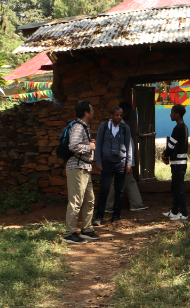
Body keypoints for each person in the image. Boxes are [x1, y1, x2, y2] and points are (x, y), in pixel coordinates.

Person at [63, 100, 100, 244]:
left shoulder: (84, 126)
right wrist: (89, 147)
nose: (93, 112)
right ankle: (69, 233)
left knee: (89, 200)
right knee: (76, 201)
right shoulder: (78, 126)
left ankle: (87, 229)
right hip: (77, 167)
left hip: (84, 167)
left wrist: (88, 145)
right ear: (86, 113)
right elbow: (73, 146)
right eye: (92, 110)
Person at [93, 106, 134, 225]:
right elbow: (98, 145)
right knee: (104, 189)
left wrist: (129, 163)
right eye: (117, 115)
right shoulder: (104, 127)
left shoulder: (125, 128)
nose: (119, 117)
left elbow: (129, 146)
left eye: (121, 115)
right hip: (107, 162)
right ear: (111, 115)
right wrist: (98, 161)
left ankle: (116, 216)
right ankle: (99, 216)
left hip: (121, 162)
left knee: (119, 190)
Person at [105, 101, 147, 213]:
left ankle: (134, 204)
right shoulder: (120, 126)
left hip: (122, 160)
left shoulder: (121, 126)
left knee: (127, 181)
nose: (129, 115)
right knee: (121, 182)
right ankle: (110, 206)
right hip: (122, 160)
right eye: (128, 112)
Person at [162, 104, 189, 221]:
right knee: (176, 188)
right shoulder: (184, 127)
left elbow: (171, 145)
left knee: (179, 188)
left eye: (172, 113)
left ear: (177, 115)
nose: (170, 115)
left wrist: (165, 154)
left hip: (179, 163)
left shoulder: (178, 128)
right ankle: (174, 211)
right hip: (178, 162)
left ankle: (184, 213)